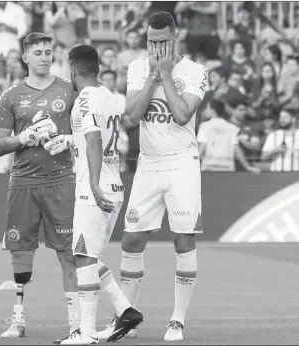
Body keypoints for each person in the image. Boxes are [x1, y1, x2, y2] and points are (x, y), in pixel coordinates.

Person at [115, 12, 208, 342]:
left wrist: (165, 74)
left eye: (163, 41)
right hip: (148, 164)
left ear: (176, 35)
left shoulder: (196, 71)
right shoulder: (137, 68)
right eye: (151, 42)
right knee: (131, 240)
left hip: (182, 162)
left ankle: (177, 320)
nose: (156, 48)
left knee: (183, 240)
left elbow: (183, 115)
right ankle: (127, 319)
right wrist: (154, 77)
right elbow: (132, 114)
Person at [0, 32, 78, 338]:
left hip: (61, 180)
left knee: (68, 253)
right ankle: (17, 320)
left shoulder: (69, 90)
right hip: (23, 182)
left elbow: (88, 134)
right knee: (20, 251)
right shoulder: (11, 95)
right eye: (38, 53)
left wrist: (69, 139)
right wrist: (25, 137)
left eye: (48, 52)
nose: (44, 57)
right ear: (25, 57)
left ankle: (76, 324)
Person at [57, 44, 144, 345]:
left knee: (82, 257)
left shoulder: (83, 98)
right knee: (89, 256)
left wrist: (92, 184)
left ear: (72, 68)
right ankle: (126, 311)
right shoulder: (108, 96)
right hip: (114, 186)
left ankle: (86, 332)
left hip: (94, 190)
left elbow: (94, 139)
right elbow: (97, 136)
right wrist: (70, 140)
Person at [197, 98, 260, 173]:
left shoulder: (204, 126)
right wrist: (247, 167)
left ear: (213, 110)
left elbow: (202, 147)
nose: (205, 111)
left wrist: (192, 166)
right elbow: (236, 148)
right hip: (227, 168)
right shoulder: (232, 128)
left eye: (207, 108)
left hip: (208, 167)